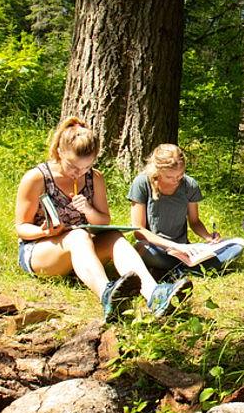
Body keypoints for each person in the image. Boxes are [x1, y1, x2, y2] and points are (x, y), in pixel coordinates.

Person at [14, 117, 191, 319]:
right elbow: (21, 228)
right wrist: (45, 231)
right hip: (41, 250)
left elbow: (103, 221)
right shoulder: (36, 178)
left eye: (86, 167)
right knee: (78, 235)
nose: (78, 173)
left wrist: (88, 209)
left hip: (82, 249)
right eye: (73, 166)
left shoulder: (95, 178)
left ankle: (155, 294)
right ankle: (107, 295)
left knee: (114, 237)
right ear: (60, 152)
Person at [129, 143, 244, 276]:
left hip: (184, 248)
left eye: (180, 175)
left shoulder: (189, 185)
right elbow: (138, 231)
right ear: (157, 170)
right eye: (170, 177)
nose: (176, 180)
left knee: (235, 247)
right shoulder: (142, 183)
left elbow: (194, 222)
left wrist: (208, 237)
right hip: (155, 247)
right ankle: (189, 267)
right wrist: (175, 247)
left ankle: (177, 267)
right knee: (141, 249)